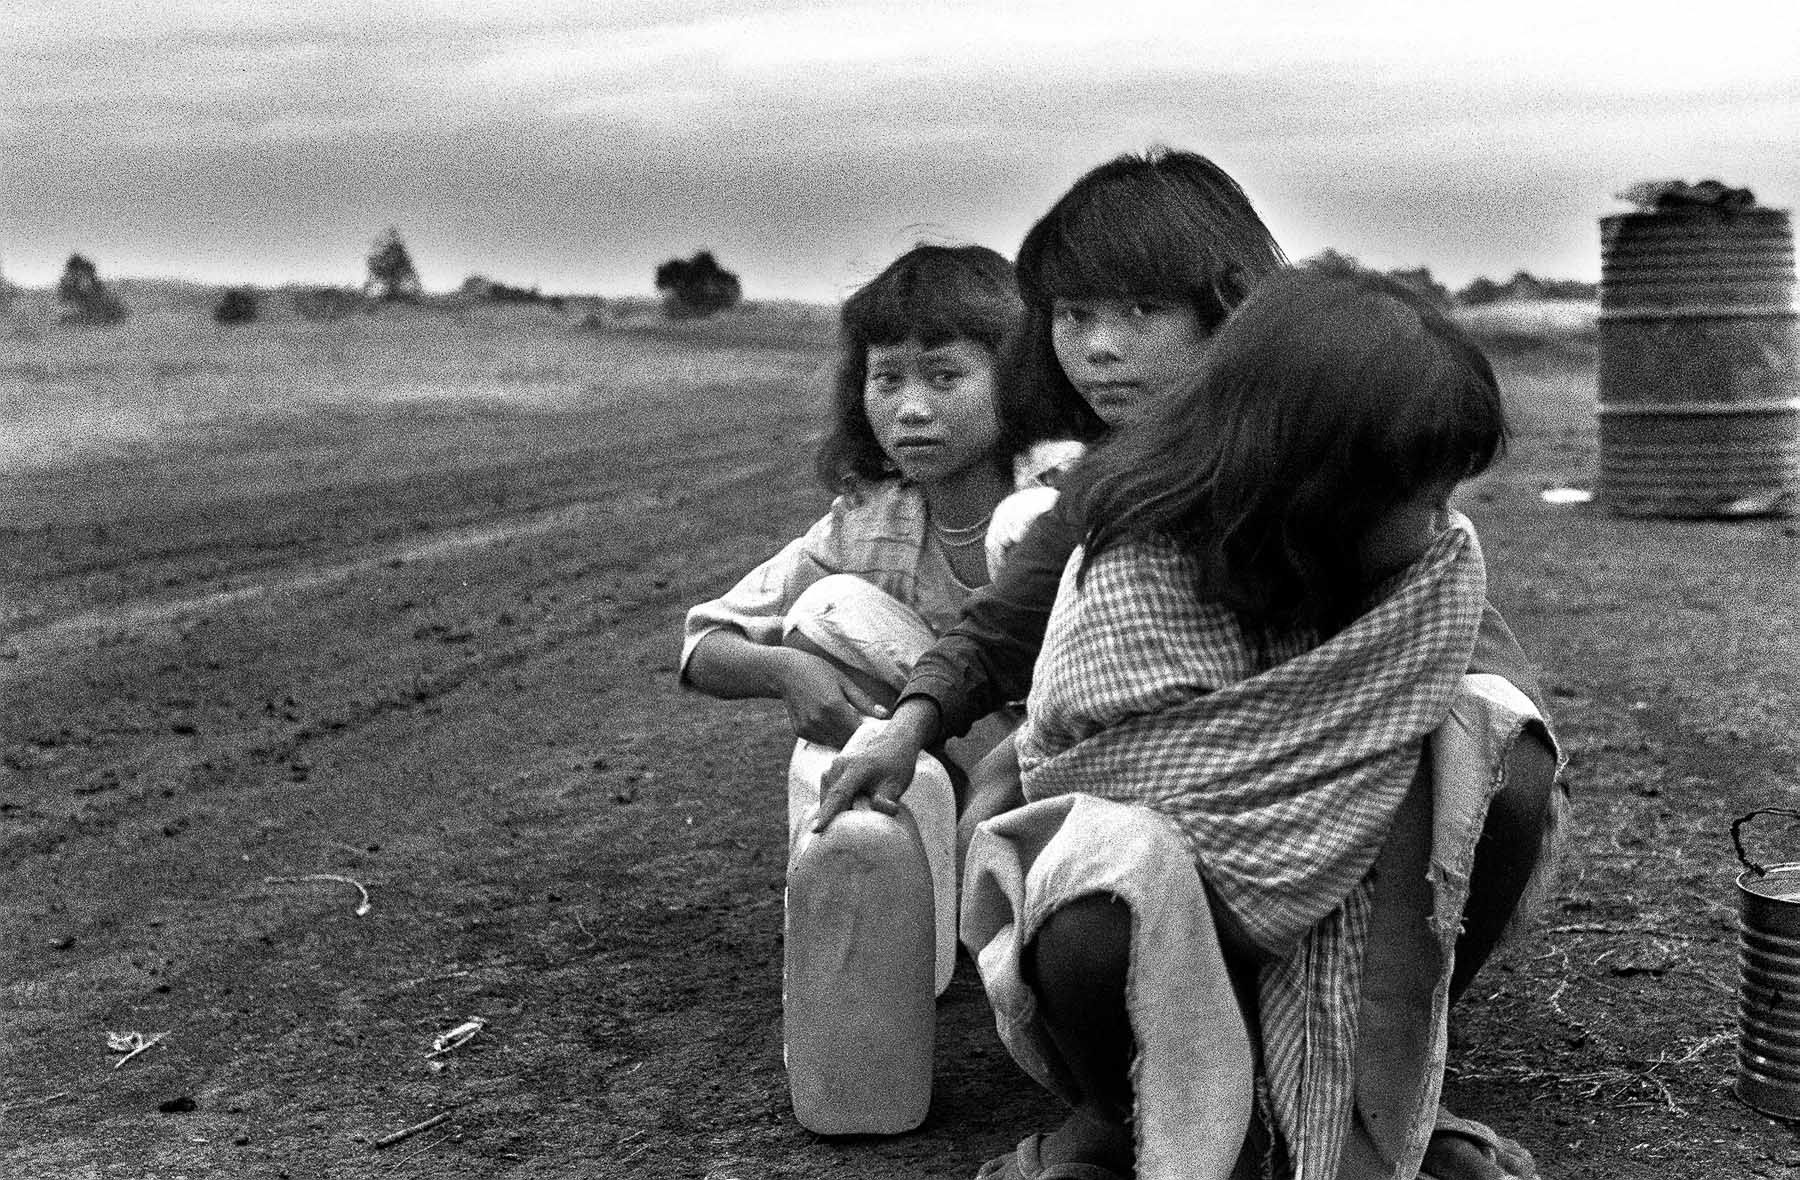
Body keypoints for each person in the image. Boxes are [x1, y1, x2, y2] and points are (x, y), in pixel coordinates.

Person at [959, 269, 1562, 1180]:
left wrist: (1335, 808)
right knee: (1106, 885)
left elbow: (1471, 708)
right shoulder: (1135, 562)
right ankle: (1120, 1121)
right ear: (1319, 490)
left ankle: (1385, 1093)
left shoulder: (1425, 569)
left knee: (1502, 753)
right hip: (1163, 927)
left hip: (1354, 895)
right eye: (1420, 495)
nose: (1442, 521)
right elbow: (1096, 770)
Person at [816, 146, 1288, 853]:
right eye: (1075, 314)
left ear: (1225, 308)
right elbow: (1003, 626)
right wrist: (906, 728)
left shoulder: (1305, 453)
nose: (1099, 347)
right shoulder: (1111, 475)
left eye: (1143, 309)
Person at [679, 242, 1042, 997]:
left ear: (1018, 379)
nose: (911, 409)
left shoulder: (1053, 498)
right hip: (943, 758)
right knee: (826, 608)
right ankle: (915, 891)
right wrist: (789, 670)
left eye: (945, 377)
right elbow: (704, 644)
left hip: (1063, 766)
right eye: (888, 379)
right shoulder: (870, 519)